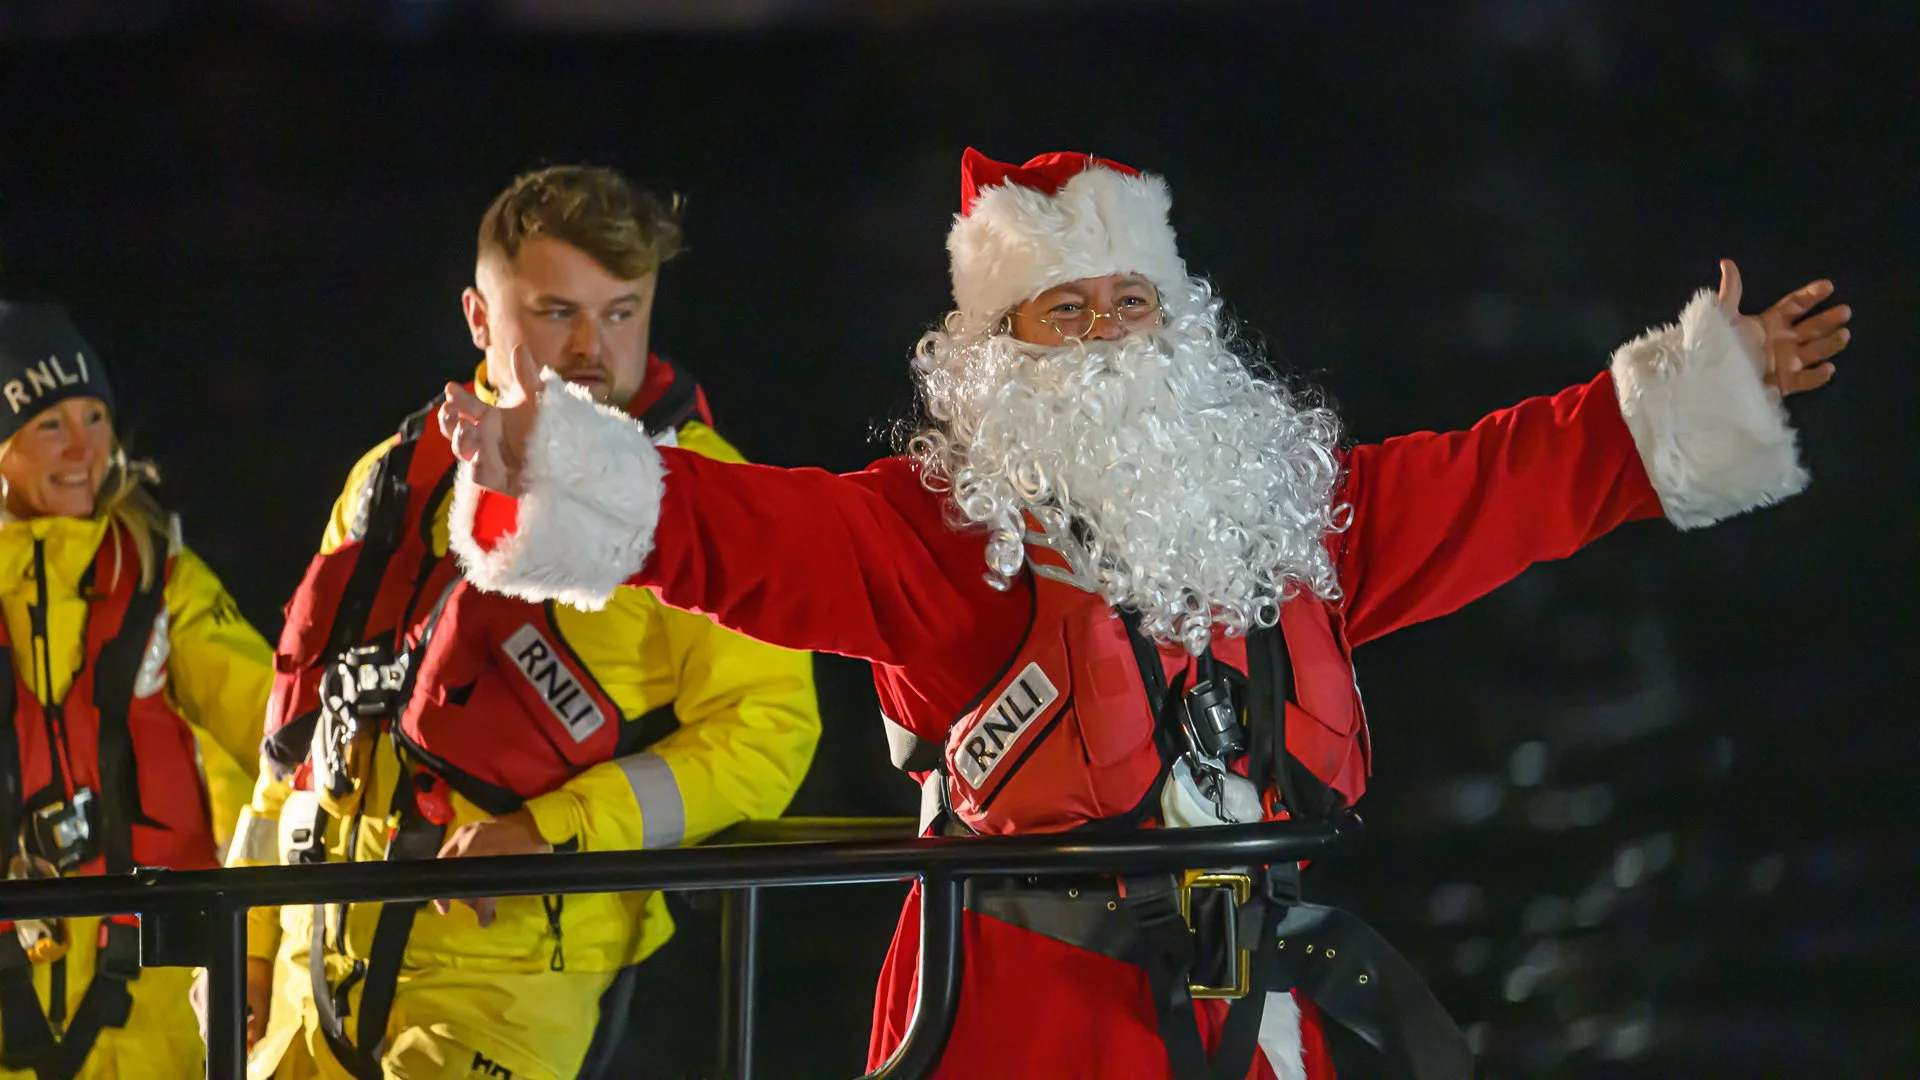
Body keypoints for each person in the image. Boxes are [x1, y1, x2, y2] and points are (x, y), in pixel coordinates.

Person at [437, 149, 1851, 1079]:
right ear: (997, 352)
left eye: (1132, 301)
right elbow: (736, 535)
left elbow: (1506, 482)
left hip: (1260, 1024)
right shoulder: (943, 535)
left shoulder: (1284, 514)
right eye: (1069, 312)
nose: (1113, 334)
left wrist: (1695, 387)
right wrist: (543, 463)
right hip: (1031, 1033)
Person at [229, 166, 822, 1080]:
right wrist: (250, 947)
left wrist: (556, 828)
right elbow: (299, 733)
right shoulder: (391, 475)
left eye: (622, 312)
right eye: (555, 312)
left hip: (506, 983)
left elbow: (771, 733)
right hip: (308, 981)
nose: (593, 346)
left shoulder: (701, 498)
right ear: (478, 318)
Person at [0, 300, 273, 1079]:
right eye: (51, 424)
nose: (86, 447)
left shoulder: (160, 577)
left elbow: (274, 730)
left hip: (158, 1002)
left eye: (95, 415)